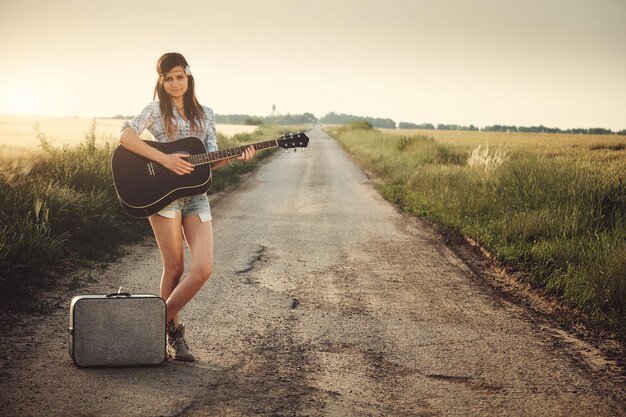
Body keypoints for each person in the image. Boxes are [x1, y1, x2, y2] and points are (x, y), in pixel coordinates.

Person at [119, 52, 256, 361]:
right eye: (168, 78)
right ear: (161, 81)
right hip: (162, 196)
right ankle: (175, 336)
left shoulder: (205, 113)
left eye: (180, 76)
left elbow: (210, 161)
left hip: (195, 196)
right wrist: (164, 158)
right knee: (175, 268)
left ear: (189, 77)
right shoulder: (154, 110)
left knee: (203, 268)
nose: (175, 83)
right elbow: (125, 136)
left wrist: (236, 156)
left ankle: (152, 322)